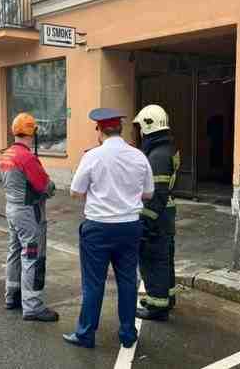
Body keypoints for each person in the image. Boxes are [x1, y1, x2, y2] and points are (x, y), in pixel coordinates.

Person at [63, 108, 154, 349]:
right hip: (129, 227)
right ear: (120, 130)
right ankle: (127, 333)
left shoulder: (92, 157)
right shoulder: (139, 156)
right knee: (127, 281)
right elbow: (148, 193)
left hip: (98, 229)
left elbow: (75, 192)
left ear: (100, 131)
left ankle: (85, 334)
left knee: (93, 283)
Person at [0, 113, 58, 322]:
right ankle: (32, 306)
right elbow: (45, 186)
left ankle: (12, 296)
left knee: (15, 252)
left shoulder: (7, 154)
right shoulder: (26, 157)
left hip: (12, 210)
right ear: (31, 132)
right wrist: (51, 188)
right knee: (32, 256)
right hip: (28, 214)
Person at [133, 105, 180, 321]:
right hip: (166, 214)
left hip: (157, 217)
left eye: (140, 127)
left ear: (147, 126)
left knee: (154, 261)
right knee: (165, 259)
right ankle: (166, 298)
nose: (139, 132)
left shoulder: (157, 156)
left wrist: (146, 224)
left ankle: (157, 307)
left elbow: (157, 195)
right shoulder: (166, 149)